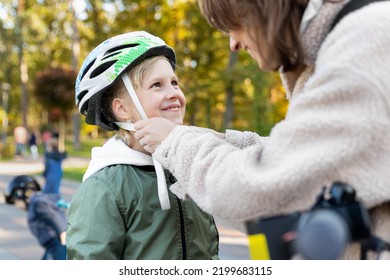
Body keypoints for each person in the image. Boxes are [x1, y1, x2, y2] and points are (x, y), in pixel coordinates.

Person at [133, 0, 390, 260]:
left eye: (233, 22)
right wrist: (211, 138)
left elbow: (265, 185)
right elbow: (304, 154)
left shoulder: (363, 45)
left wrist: (176, 143)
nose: (233, 43)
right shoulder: (347, 45)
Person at [66, 31, 219, 260]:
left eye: (175, 82)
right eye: (157, 85)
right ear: (122, 109)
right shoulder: (106, 188)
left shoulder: (189, 168)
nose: (174, 93)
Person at [27, 191, 67, 260]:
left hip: (57, 242)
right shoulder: (36, 202)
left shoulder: (37, 203)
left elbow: (53, 216)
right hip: (53, 244)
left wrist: (62, 231)